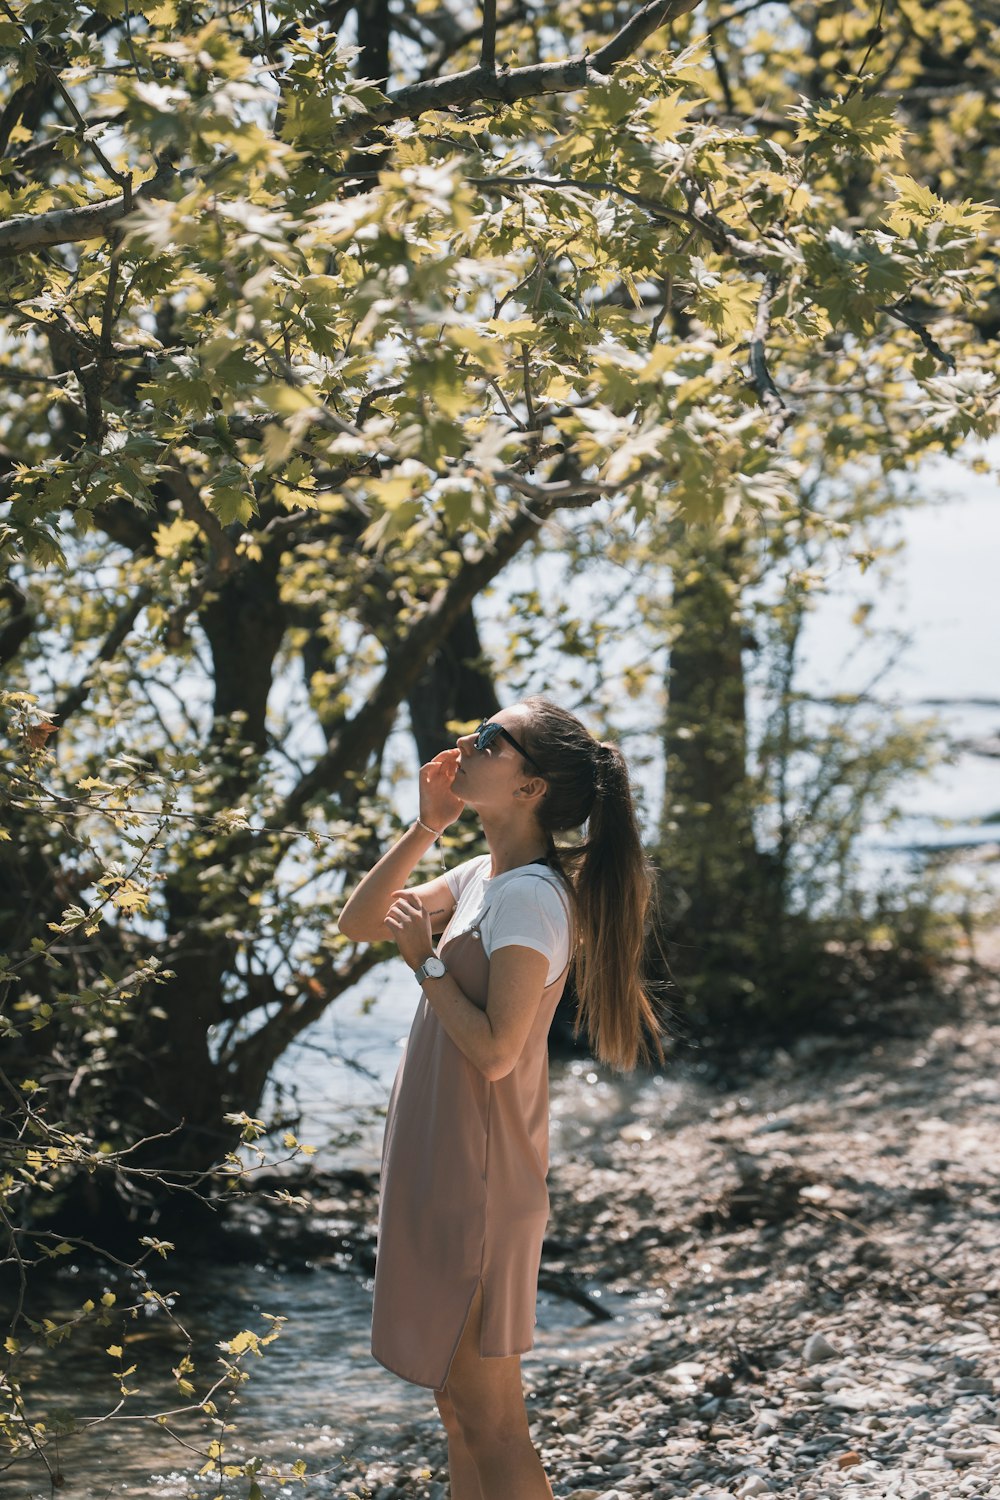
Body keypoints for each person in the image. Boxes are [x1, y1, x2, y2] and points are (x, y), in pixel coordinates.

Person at [338, 696, 663, 1500]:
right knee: (456, 1408)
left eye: (490, 739)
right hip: (447, 1167)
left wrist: (424, 963)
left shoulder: (530, 900)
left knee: (493, 1423)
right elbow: (357, 920)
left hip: (483, 1182)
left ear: (532, 787)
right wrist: (425, 827)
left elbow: (493, 1053)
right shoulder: (485, 877)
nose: (464, 744)